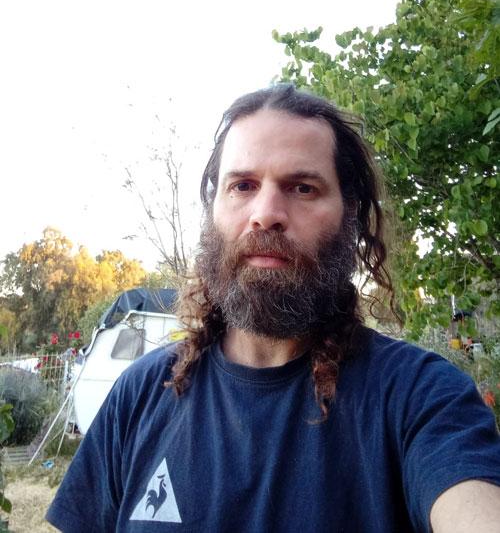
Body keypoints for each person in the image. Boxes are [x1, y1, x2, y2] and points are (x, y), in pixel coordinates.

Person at [47, 84, 500, 532]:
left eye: (302, 188)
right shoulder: (139, 395)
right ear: (213, 211)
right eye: (242, 185)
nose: (265, 213)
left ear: (350, 214)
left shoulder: (422, 398)